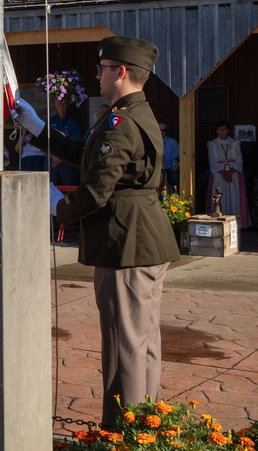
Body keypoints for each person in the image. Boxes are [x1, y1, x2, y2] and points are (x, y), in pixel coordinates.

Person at [12, 35, 180, 428]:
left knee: (125, 347)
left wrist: (56, 205)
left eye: (102, 69)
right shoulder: (128, 114)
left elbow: (95, 192)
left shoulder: (120, 121)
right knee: (142, 343)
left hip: (125, 244)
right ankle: (145, 425)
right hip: (140, 240)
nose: (96, 75)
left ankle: (123, 431)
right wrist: (37, 126)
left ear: (120, 72)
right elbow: (85, 151)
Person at [205, 119, 250, 228]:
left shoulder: (234, 143)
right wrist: (224, 173)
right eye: (219, 129)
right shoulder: (212, 144)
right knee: (219, 196)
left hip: (234, 174)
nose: (222, 132)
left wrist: (230, 172)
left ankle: (236, 223)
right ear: (216, 131)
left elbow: (239, 159)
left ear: (228, 130)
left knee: (234, 197)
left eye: (224, 129)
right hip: (219, 174)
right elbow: (212, 160)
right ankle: (219, 221)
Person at [49, 98, 80, 187]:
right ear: (55, 105)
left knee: (68, 186)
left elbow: (76, 141)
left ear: (67, 106)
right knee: (51, 188)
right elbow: (46, 140)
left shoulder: (73, 123)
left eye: (64, 104)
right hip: (52, 160)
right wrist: (54, 157)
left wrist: (60, 158)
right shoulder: (51, 121)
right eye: (60, 104)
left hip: (66, 160)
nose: (62, 107)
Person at [158, 119, 179, 192]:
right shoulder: (151, 142)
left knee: (174, 178)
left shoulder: (172, 142)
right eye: (159, 130)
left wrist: (179, 164)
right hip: (157, 170)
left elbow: (182, 156)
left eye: (163, 130)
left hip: (170, 169)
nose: (161, 132)